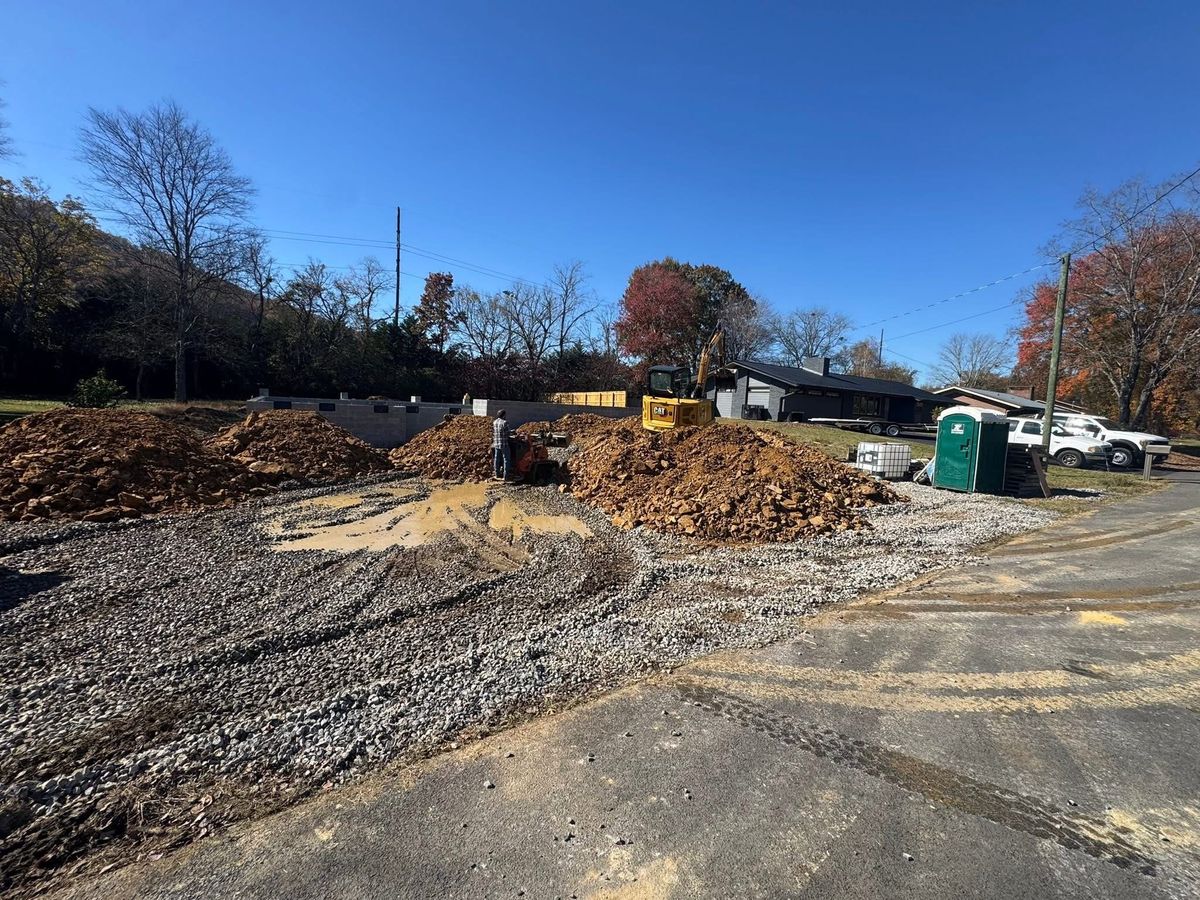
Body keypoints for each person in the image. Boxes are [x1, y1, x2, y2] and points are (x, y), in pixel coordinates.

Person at [492, 409, 511, 481]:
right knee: (506, 459)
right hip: (504, 444)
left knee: (496, 459)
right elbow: (508, 433)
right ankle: (506, 476)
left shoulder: (494, 422)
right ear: (503, 415)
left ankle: (497, 474)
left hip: (496, 443)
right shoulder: (505, 422)